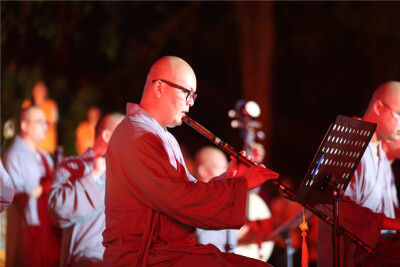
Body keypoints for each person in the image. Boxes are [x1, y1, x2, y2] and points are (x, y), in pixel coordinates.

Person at [102, 56, 279, 266]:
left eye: (193, 96)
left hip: (171, 254)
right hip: (147, 258)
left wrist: (229, 179)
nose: (191, 103)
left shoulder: (164, 137)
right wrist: (243, 185)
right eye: (187, 93)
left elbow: (188, 191)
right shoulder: (137, 135)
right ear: (159, 87)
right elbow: (180, 200)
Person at [317, 81, 400, 267]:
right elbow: (337, 207)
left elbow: (391, 211)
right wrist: (394, 224)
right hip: (346, 257)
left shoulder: (381, 157)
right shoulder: (349, 141)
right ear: (379, 107)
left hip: (375, 253)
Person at [48, 112, 124, 266]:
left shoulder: (124, 177)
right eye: (125, 136)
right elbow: (58, 210)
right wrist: (94, 175)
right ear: (107, 136)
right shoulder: (72, 167)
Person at [3, 105, 60, 266]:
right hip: (26, 229)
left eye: (46, 122)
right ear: (24, 126)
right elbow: (16, 198)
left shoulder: (44, 156)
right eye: (40, 121)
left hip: (47, 227)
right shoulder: (14, 154)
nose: (45, 126)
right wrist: (44, 188)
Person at [194, 146, 239, 252]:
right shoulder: (190, 203)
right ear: (203, 171)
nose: (228, 174)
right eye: (221, 168)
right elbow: (205, 242)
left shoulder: (223, 202)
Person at [22, 80, 59, 153]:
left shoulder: (51, 105)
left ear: (46, 92)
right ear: (33, 92)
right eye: (37, 90)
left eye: (42, 90)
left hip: (46, 148)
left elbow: (53, 124)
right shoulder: (27, 105)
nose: (39, 93)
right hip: (30, 147)